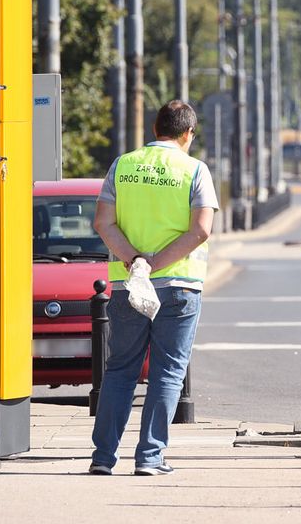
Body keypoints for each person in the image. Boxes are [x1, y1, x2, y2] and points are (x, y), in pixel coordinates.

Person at [89, 100, 218, 476]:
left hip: (129, 286)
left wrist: (135, 263)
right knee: (167, 373)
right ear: (188, 133)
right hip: (178, 287)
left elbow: (103, 222)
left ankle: (102, 458)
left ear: (154, 128)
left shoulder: (123, 165)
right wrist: (156, 264)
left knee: (119, 371)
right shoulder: (195, 170)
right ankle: (149, 457)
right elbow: (201, 230)